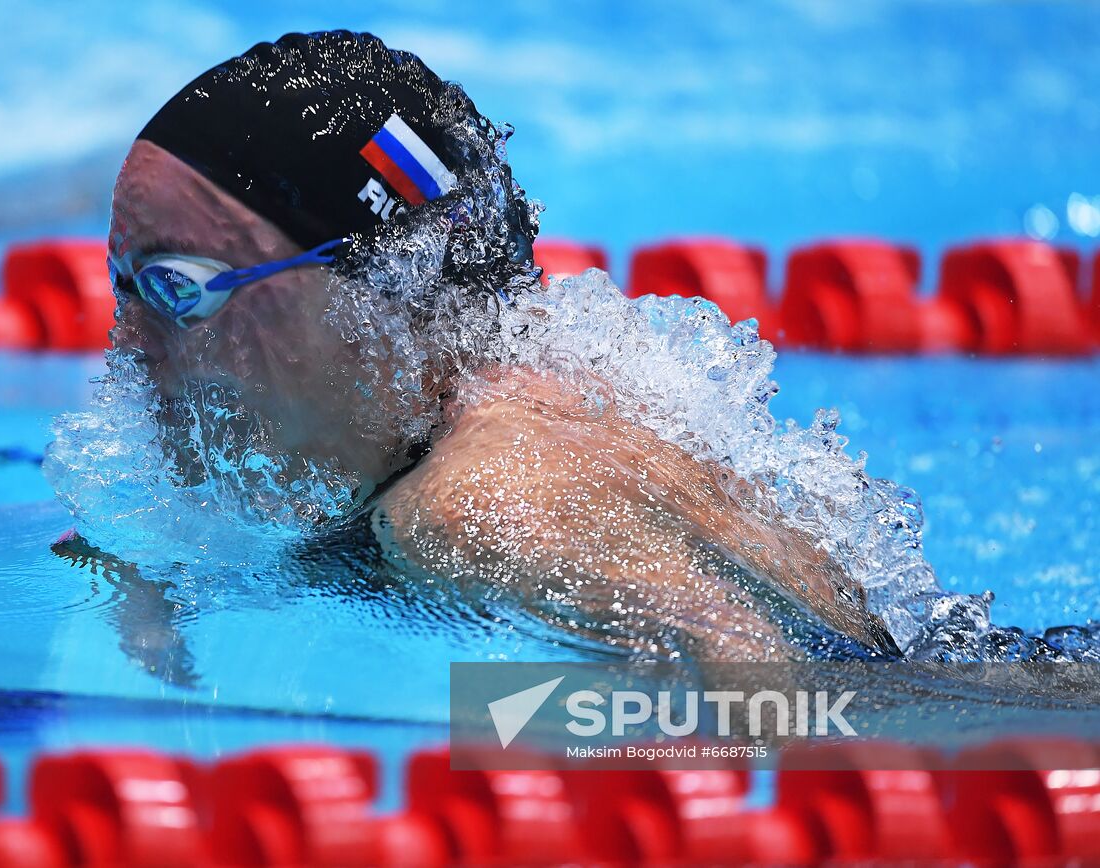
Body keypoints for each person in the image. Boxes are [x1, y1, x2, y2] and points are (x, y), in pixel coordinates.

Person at [101, 30, 897, 662]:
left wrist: (500, 734)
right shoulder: (450, 436)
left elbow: (758, 686)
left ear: (378, 288)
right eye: (122, 289)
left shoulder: (470, 504)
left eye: (177, 288)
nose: (127, 347)